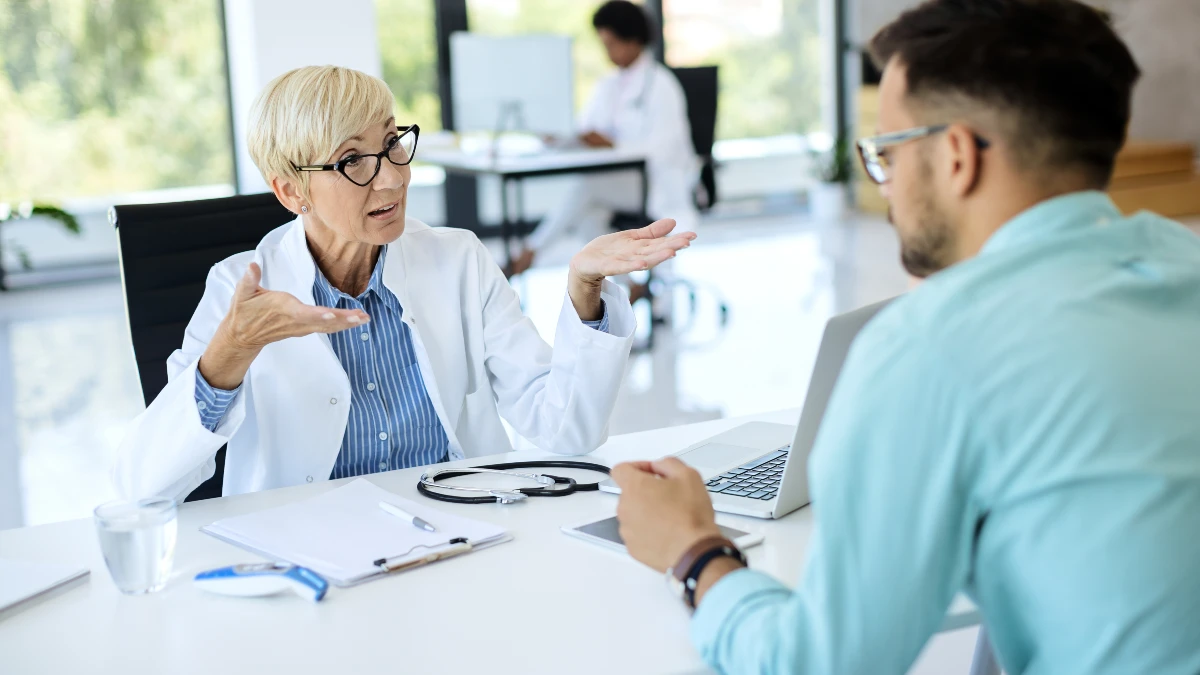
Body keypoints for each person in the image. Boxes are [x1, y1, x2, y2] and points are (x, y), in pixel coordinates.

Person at [612, 1, 1200, 673]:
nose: (885, 188)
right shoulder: (1183, 264)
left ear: (956, 157)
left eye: (885, 154)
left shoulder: (937, 346)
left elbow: (817, 664)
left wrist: (693, 548)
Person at [112, 65, 695, 501]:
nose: (392, 179)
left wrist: (584, 288)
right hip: (312, 554)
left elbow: (567, 428)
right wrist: (229, 354)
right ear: (291, 191)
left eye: (392, 144)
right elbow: (140, 485)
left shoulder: (458, 260)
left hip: (460, 531)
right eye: (353, 161)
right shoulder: (237, 290)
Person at [507, 0, 699, 302]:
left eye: (611, 44)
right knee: (589, 215)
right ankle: (630, 285)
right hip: (617, 182)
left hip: (655, 182)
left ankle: (529, 253)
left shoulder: (661, 85)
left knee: (586, 186)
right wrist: (560, 136)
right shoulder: (608, 84)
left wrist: (614, 145)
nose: (607, 53)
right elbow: (586, 130)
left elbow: (665, 150)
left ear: (632, 40)